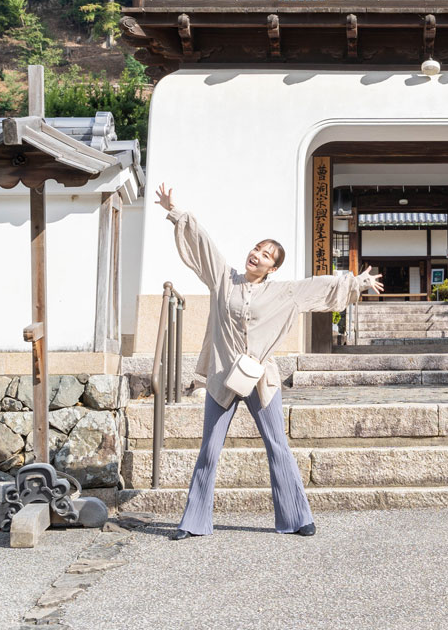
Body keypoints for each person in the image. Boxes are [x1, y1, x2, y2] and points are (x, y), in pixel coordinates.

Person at [154, 184, 382, 539]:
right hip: (221, 379)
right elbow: (203, 245)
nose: (257, 255)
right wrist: (176, 212)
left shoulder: (281, 292)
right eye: (256, 248)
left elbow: (316, 287)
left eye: (266, 254)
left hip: (261, 379)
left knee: (277, 445)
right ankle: (193, 522)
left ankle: (296, 518)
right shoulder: (224, 280)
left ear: (272, 267)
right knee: (209, 451)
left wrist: (356, 283)